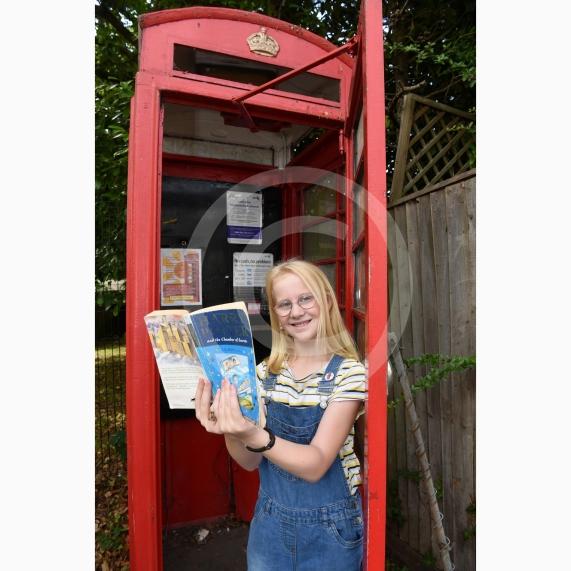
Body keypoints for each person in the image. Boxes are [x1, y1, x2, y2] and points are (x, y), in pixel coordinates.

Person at [195, 259, 367, 570]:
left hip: (331, 531)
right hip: (270, 525)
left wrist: (252, 433)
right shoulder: (264, 374)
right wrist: (231, 429)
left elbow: (316, 464)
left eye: (306, 298)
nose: (296, 311)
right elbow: (248, 461)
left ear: (326, 301)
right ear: (276, 315)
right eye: (284, 304)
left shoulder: (349, 373)